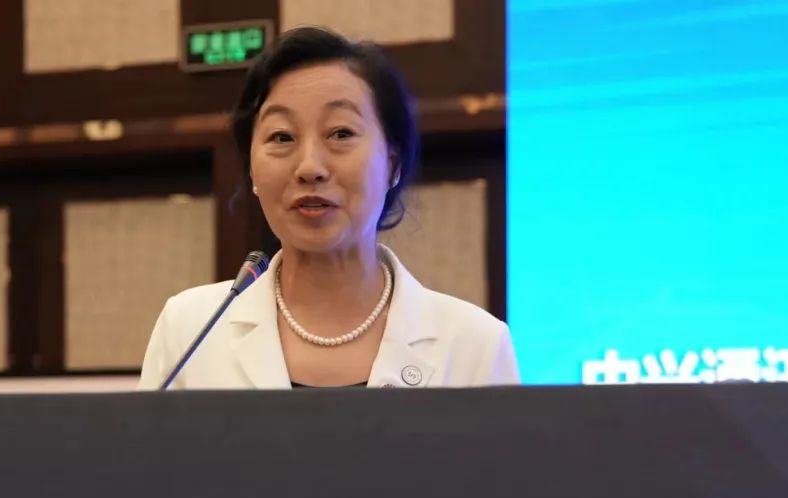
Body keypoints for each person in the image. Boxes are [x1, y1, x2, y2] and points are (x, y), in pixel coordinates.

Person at [138, 27, 519, 390]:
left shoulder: (475, 346)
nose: (310, 167)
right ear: (252, 169)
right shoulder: (189, 332)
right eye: (282, 137)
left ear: (392, 164)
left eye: (341, 133)